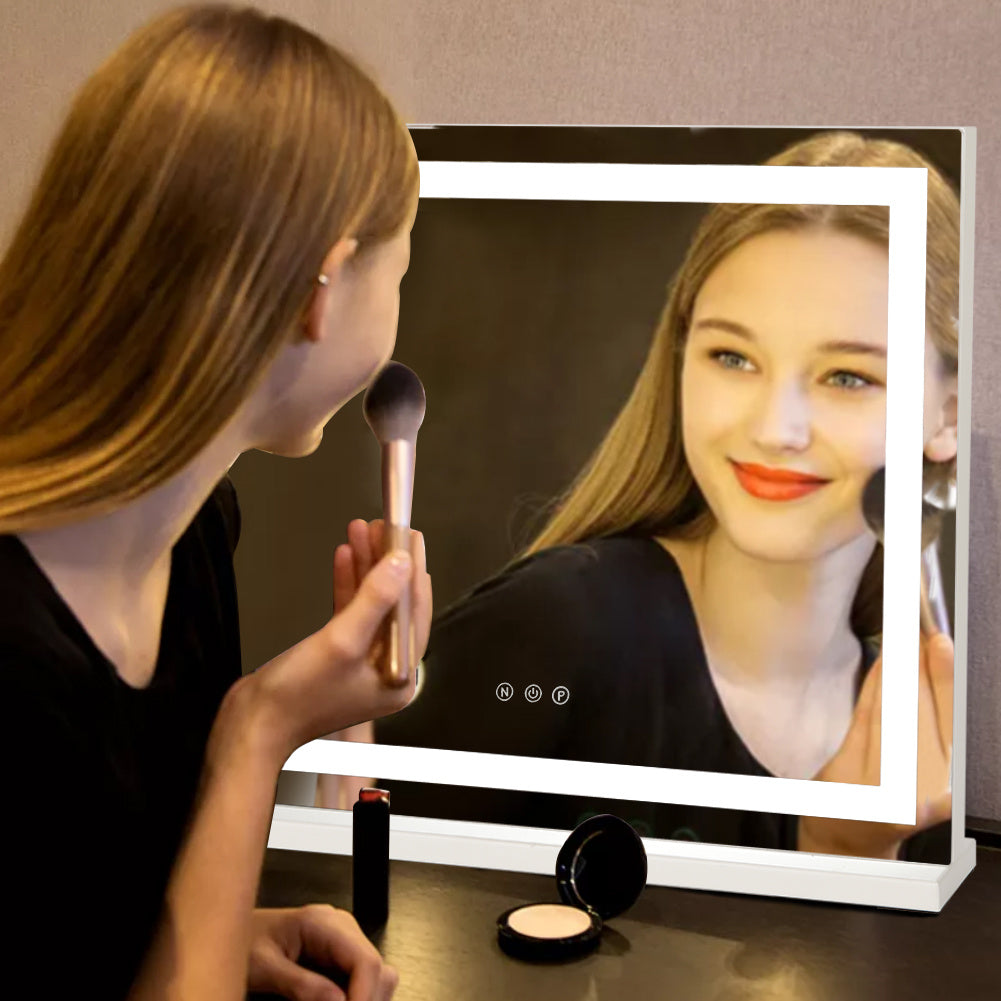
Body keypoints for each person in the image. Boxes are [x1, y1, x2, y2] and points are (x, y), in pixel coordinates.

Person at [0, 6, 432, 1000]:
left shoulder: (191, 535)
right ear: (318, 292)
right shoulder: (15, 659)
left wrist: (226, 924)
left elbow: (74, 913)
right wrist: (263, 728)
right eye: (399, 269)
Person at [374, 131, 958, 863]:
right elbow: (351, 933)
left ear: (950, 413)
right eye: (732, 357)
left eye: (846, 376)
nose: (775, 428)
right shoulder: (558, 628)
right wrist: (833, 852)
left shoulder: (924, 740)